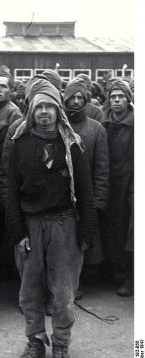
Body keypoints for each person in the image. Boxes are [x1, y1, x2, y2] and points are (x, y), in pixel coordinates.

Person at [6, 77, 97, 358]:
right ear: (31, 112)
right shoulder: (20, 143)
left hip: (64, 225)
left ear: (59, 111)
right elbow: (10, 192)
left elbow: (84, 190)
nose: (44, 111)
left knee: (62, 291)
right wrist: (18, 233)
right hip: (32, 225)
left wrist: (86, 233)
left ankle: (60, 345)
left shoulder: (72, 144)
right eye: (39, 106)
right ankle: (34, 342)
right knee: (29, 290)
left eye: (50, 106)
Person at [63, 78, 109, 299]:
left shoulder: (96, 129)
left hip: (86, 194)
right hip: (61, 194)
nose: (76, 101)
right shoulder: (59, 125)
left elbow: (102, 168)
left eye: (80, 97)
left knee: (84, 238)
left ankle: (80, 281)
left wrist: (99, 200)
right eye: (72, 97)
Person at [101, 80, 134, 297]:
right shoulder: (104, 123)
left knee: (130, 232)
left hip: (129, 183)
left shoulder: (136, 124)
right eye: (113, 97)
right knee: (110, 228)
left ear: (128, 99)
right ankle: (110, 271)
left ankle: (131, 277)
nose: (116, 100)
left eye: (121, 96)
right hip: (109, 183)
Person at [0, 70, 22, 280]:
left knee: (5, 223)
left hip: (4, 174)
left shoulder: (13, 113)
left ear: (11, 91)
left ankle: (6, 270)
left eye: (4, 86)